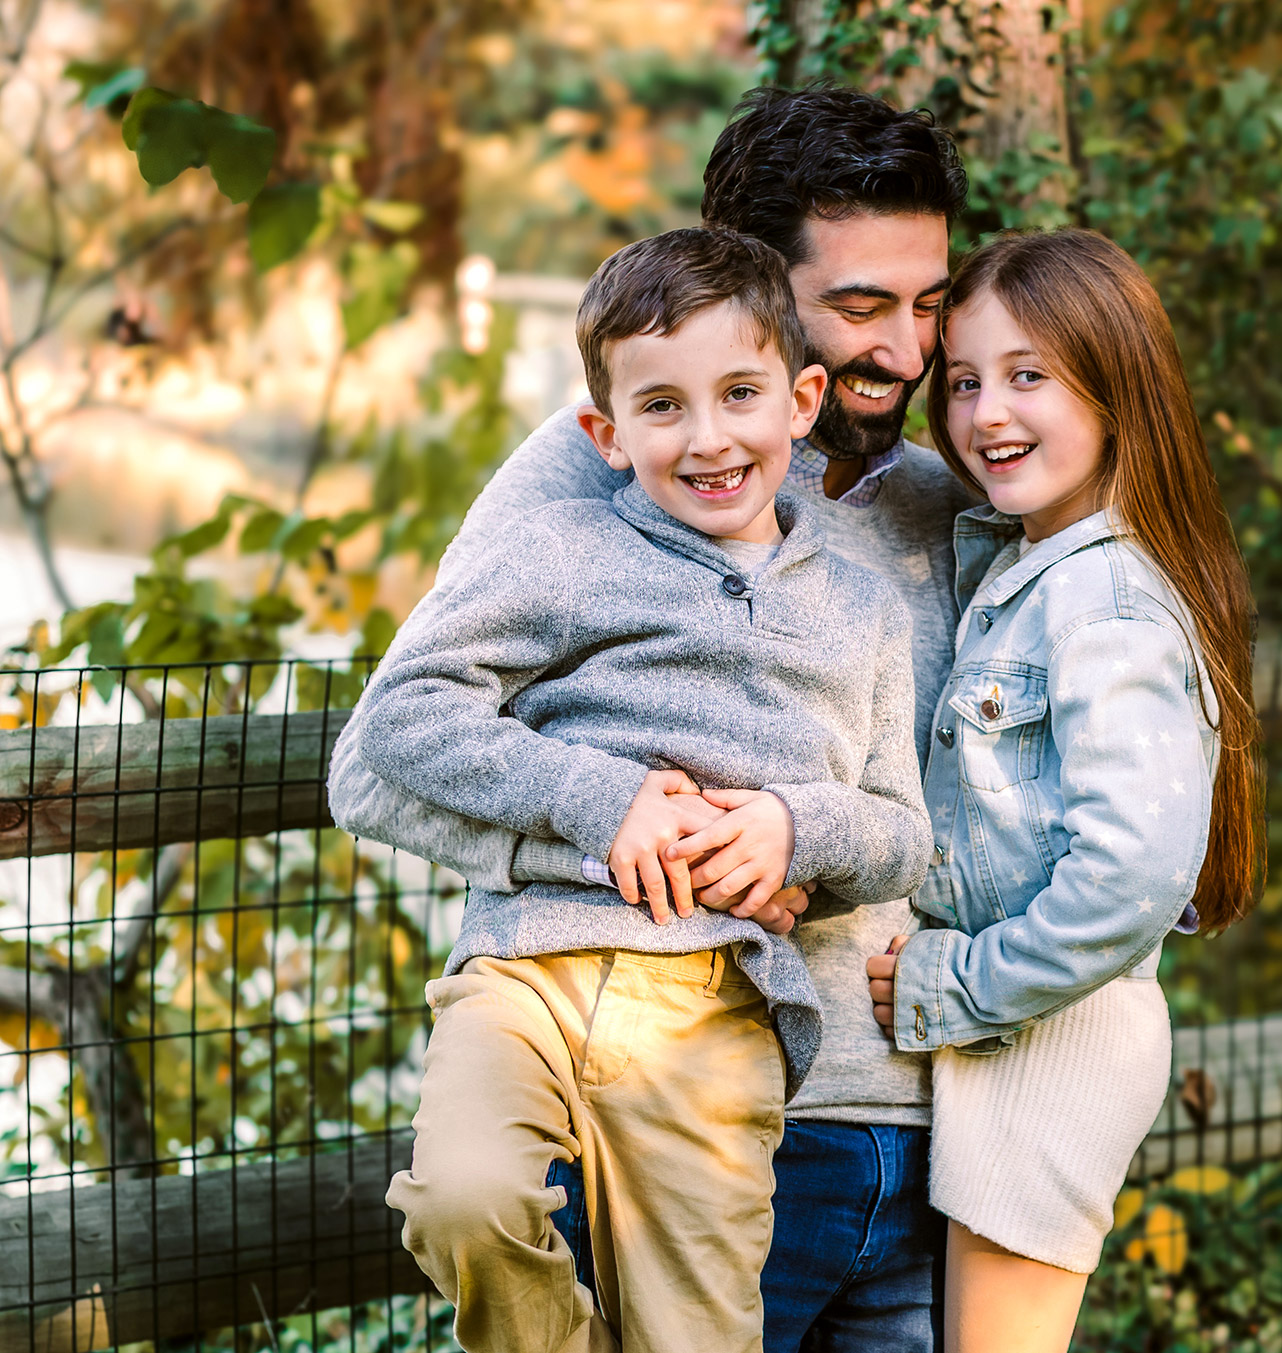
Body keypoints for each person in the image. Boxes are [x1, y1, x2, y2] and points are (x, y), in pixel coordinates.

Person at [326, 84, 978, 1351]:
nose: (904, 351)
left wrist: (807, 836)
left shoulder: (956, 497)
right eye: (859, 308)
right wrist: (638, 843)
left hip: (930, 1138)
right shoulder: (597, 476)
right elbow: (376, 768)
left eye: (926, 304)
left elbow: (938, 820)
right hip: (705, 1110)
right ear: (758, 287)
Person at [865, 229, 1266, 1353]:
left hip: (1054, 1042)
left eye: (1028, 374)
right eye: (963, 381)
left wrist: (954, 982)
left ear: (1116, 382)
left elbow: (1131, 875)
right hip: (1018, 1037)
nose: (987, 413)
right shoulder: (1030, 570)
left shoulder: (1105, 604)